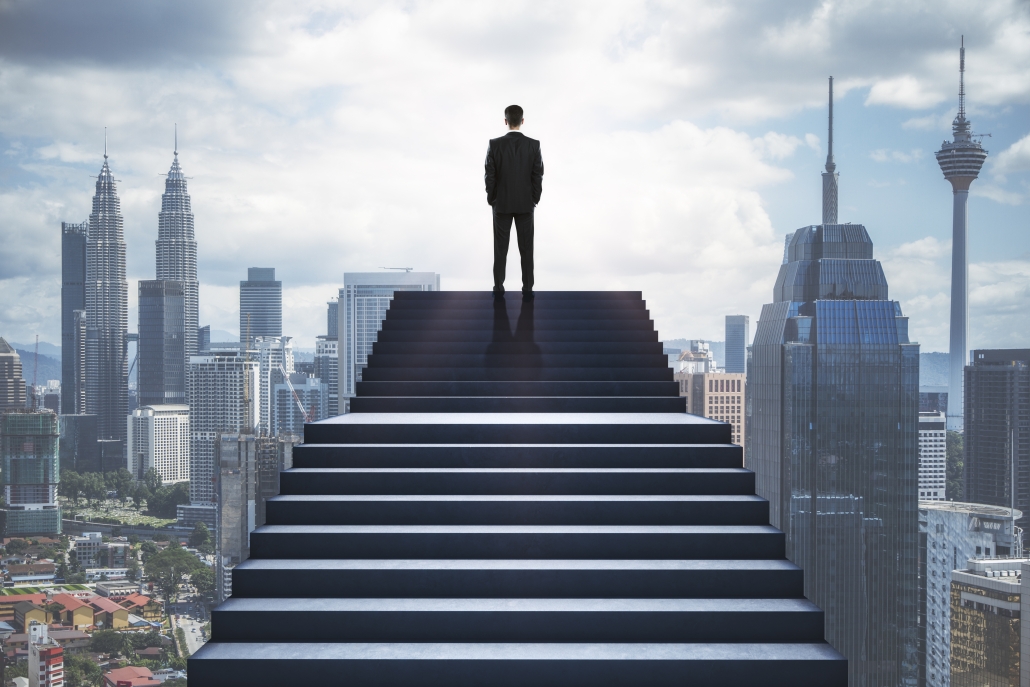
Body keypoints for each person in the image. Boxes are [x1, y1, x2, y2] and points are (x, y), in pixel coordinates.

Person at [484, 104, 544, 299]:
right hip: (526, 204)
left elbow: (489, 175)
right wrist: (534, 198)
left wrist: (492, 198)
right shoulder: (533, 145)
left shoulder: (494, 144)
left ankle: (498, 289)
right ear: (522, 121)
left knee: (500, 250)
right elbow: (538, 175)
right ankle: (527, 289)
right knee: (527, 250)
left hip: (501, 204)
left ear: (505, 121)